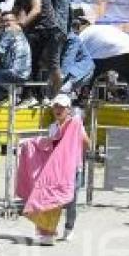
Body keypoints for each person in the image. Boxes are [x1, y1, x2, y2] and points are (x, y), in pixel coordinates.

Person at [47, 93, 89, 244]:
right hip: (57, 170)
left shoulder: (75, 125)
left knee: (70, 199)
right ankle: (50, 230)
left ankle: (69, 229)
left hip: (73, 169)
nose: (58, 110)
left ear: (68, 110)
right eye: (56, 106)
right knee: (55, 200)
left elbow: (86, 142)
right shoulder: (52, 127)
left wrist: (76, 157)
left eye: (62, 107)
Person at [77, 18, 129, 106]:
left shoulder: (84, 33)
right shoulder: (103, 28)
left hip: (108, 52)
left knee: (89, 75)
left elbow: (77, 54)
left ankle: (83, 99)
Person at [59, 22, 95, 97]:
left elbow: (68, 59)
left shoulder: (73, 38)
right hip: (75, 72)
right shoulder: (72, 37)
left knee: (63, 91)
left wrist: (61, 76)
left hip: (79, 71)